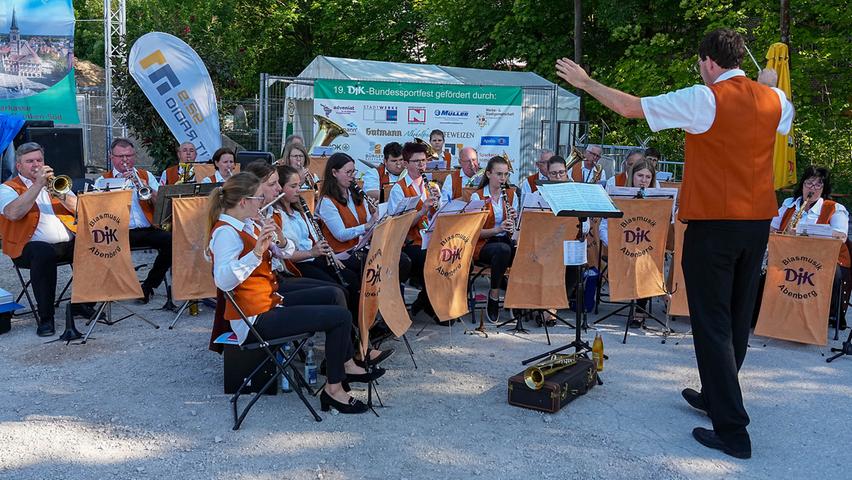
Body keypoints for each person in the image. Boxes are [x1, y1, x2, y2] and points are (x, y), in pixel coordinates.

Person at [556, 27, 794, 459]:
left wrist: (586, 82)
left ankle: (733, 431)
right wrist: (769, 86)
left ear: (707, 62)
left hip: (714, 225)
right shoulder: (774, 100)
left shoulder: (705, 98)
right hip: (757, 221)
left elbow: (630, 108)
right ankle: (717, 396)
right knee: (737, 318)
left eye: (700, 64)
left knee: (713, 324)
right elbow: (781, 106)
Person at [206, 172, 383, 414]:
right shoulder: (225, 233)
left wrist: (278, 239)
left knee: (335, 296)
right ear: (244, 201)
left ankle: (344, 368)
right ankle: (334, 390)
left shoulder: (249, 223)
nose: (263, 202)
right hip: (253, 318)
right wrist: (256, 252)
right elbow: (223, 281)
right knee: (339, 317)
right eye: (259, 198)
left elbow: (286, 251)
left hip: (269, 300)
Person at [0, 142, 91, 336]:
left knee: (91, 243)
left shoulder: (55, 182)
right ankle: (46, 318)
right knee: (43, 252)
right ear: (19, 166)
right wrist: (37, 186)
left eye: (39, 160)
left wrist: (60, 194)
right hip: (26, 248)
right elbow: (13, 213)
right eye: (30, 161)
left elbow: (80, 210)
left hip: (63, 245)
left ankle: (83, 303)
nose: (35, 164)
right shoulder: (8, 188)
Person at [769, 166, 849, 326]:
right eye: (809, 183)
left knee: (835, 275)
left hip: (822, 259)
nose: (812, 188)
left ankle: (824, 316)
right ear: (802, 185)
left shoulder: (834, 208)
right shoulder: (789, 204)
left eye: (818, 184)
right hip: (788, 256)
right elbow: (771, 228)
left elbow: (841, 236)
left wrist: (804, 232)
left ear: (823, 188)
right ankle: (769, 311)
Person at [96, 138, 173, 304]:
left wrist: (146, 187)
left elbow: (162, 204)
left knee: (172, 241)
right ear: (111, 157)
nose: (125, 160)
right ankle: (115, 288)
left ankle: (149, 286)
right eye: (120, 156)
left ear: (134, 156)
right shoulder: (103, 180)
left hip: (146, 228)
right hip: (118, 231)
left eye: (129, 156)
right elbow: (97, 211)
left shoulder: (146, 175)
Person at [388, 141, 442, 320]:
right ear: (406, 163)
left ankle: (425, 301)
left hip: (431, 238)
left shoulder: (431, 186)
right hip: (409, 242)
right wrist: (423, 211)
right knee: (429, 260)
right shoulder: (399, 189)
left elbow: (438, 217)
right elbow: (398, 225)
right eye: (417, 161)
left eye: (424, 161)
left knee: (451, 257)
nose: (421, 165)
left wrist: (439, 206)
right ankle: (427, 304)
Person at [598, 159, 657, 323]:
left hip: (646, 248)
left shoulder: (658, 200)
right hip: (621, 246)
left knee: (643, 260)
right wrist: (615, 244)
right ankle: (636, 303)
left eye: (647, 177)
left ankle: (640, 307)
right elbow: (603, 226)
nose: (643, 180)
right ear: (633, 176)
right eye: (640, 176)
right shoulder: (618, 195)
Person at [469, 156, 518, 323]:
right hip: (483, 244)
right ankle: (494, 294)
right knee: (503, 250)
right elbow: (473, 233)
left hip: (505, 240)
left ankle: (517, 296)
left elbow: (516, 229)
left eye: (505, 175)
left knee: (521, 250)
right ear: (489, 174)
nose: (503, 179)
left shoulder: (511, 195)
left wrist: (515, 223)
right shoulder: (477, 197)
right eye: (499, 174)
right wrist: (498, 229)